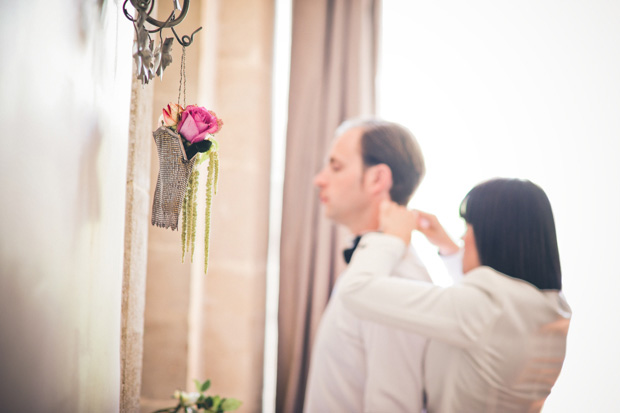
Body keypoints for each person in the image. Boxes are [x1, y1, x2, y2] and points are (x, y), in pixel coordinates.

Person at [338, 178, 572, 412]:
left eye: (468, 228)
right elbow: (481, 317)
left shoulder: (484, 308)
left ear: (492, 235)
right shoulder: (550, 309)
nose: (463, 238)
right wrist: (447, 247)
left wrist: (392, 237)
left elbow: (356, 290)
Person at [303, 118, 430, 412]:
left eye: (335, 167)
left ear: (377, 179)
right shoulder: (370, 265)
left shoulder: (396, 282)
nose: (319, 179)